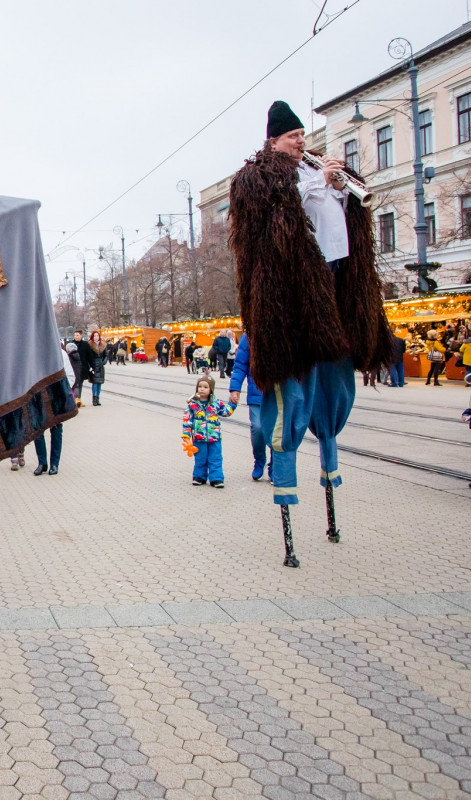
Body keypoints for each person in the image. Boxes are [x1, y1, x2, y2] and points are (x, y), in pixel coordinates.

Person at [229, 100, 392, 567]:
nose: (303, 141)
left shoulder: (316, 171)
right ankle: (285, 500)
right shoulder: (260, 178)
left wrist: (341, 189)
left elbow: (346, 218)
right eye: (293, 136)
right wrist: (316, 184)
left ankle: (330, 482)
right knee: (292, 403)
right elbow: (270, 225)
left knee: (333, 394)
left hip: (337, 289)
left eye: (303, 134)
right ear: (274, 140)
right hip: (296, 302)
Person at [228, 333, 270, 481]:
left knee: (277, 430)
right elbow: (240, 365)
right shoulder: (249, 336)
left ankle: (276, 464)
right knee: (258, 428)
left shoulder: (282, 328)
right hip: (256, 391)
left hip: (277, 393)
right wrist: (235, 388)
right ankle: (259, 459)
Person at [183, 375, 237, 487]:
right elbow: (187, 419)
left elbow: (226, 412)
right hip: (199, 437)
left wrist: (233, 404)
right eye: (200, 386)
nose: (202, 389)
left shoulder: (216, 403)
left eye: (205, 387)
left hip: (214, 437)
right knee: (200, 458)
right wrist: (186, 434)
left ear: (211, 390)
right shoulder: (192, 404)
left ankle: (216, 478)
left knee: (215, 458)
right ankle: (199, 477)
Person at [71, 330, 92, 404]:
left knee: (80, 384)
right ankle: (75, 398)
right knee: (74, 384)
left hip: (83, 368)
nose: (75, 337)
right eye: (75, 335)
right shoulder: (71, 344)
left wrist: (92, 367)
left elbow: (89, 356)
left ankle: (78, 398)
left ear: (81, 336)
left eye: (77, 335)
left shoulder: (85, 344)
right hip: (73, 367)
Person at [87, 330, 107, 406]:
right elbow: (88, 357)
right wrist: (90, 367)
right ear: (92, 337)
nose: (96, 337)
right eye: (95, 336)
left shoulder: (103, 345)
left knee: (99, 383)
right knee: (95, 383)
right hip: (94, 365)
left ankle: (98, 398)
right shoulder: (90, 345)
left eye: (97, 336)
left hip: (100, 366)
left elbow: (105, 355)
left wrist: (103, 362)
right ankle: (94, 398)